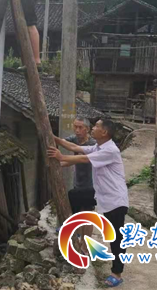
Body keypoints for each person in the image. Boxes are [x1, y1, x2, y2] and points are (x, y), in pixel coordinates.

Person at [48, 119, 129, 288]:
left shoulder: (110, 150)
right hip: (101, 195)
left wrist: (61, 157)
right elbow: (76, 148)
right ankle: (70, 225)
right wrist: (54, 138)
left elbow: (84, 159)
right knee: (74, 195)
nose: (93, 128)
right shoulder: (98, 146)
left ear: (104, 132)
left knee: (116, 238)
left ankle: (117, 273)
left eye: (97, 126)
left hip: (115, 200)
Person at [63, 117, 97, 246]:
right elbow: (63, 142)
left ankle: (86, 243)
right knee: (78, 214)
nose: (77, 130)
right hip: (78, 183)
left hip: (91, 185)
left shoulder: (93, 144)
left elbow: (81, 159)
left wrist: (62, 161)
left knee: (87, 215)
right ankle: (78, 240)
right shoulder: (75, 139)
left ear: (87, 129)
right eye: (75, 127)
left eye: (80, 127)